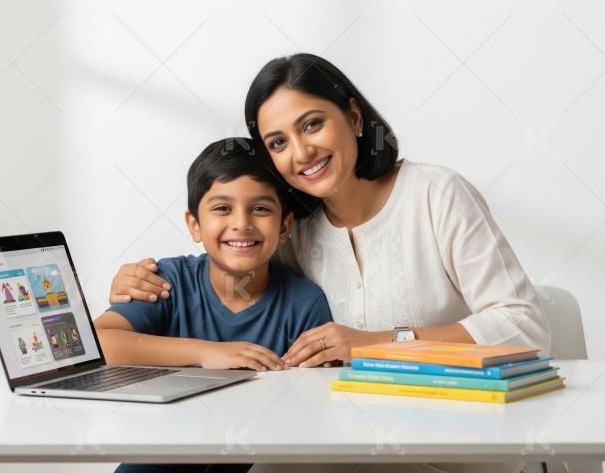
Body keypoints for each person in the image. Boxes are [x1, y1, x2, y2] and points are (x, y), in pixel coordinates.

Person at [108, 54, 552, 473]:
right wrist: (139, 280)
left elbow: (526, 326)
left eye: (312, 124)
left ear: (354, 118)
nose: (301, 153)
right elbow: (229, 258)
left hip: (453, 452)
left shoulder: (436, 195)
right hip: (333, 453)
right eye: (278, 142)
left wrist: (377, 344)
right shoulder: (294, 231)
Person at [95, 138, 333, 473]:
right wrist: (206, 353)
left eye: (260, 209)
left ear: (284, 226)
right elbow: (99, 344)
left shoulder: (305, 305)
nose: (242, 223)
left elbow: (312, 412)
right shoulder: (168, 282)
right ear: (195, 225)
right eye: (222, 208)